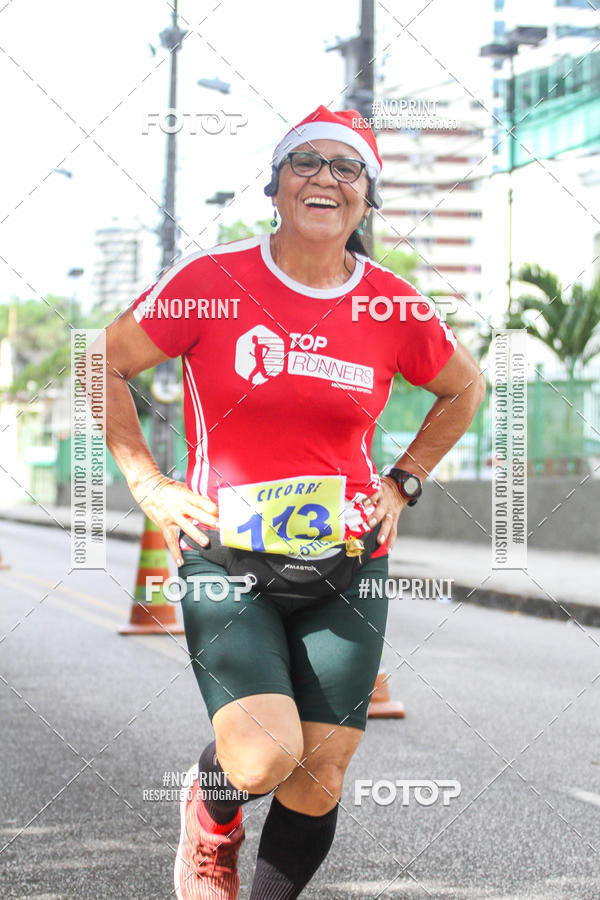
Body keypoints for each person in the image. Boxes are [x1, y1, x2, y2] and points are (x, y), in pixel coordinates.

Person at [104, 105, 485, 899]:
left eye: (347, 168)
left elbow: (464, 387)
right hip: (227, 555)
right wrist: (148, 481)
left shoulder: (393, 304)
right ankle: (210, 821)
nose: (326, 178)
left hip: (348, 559)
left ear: (367, 199)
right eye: (305, 162)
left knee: (321, 770)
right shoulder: (211, 282)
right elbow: (100, 363)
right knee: (259, 757)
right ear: (275, 185)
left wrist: (403, 479)